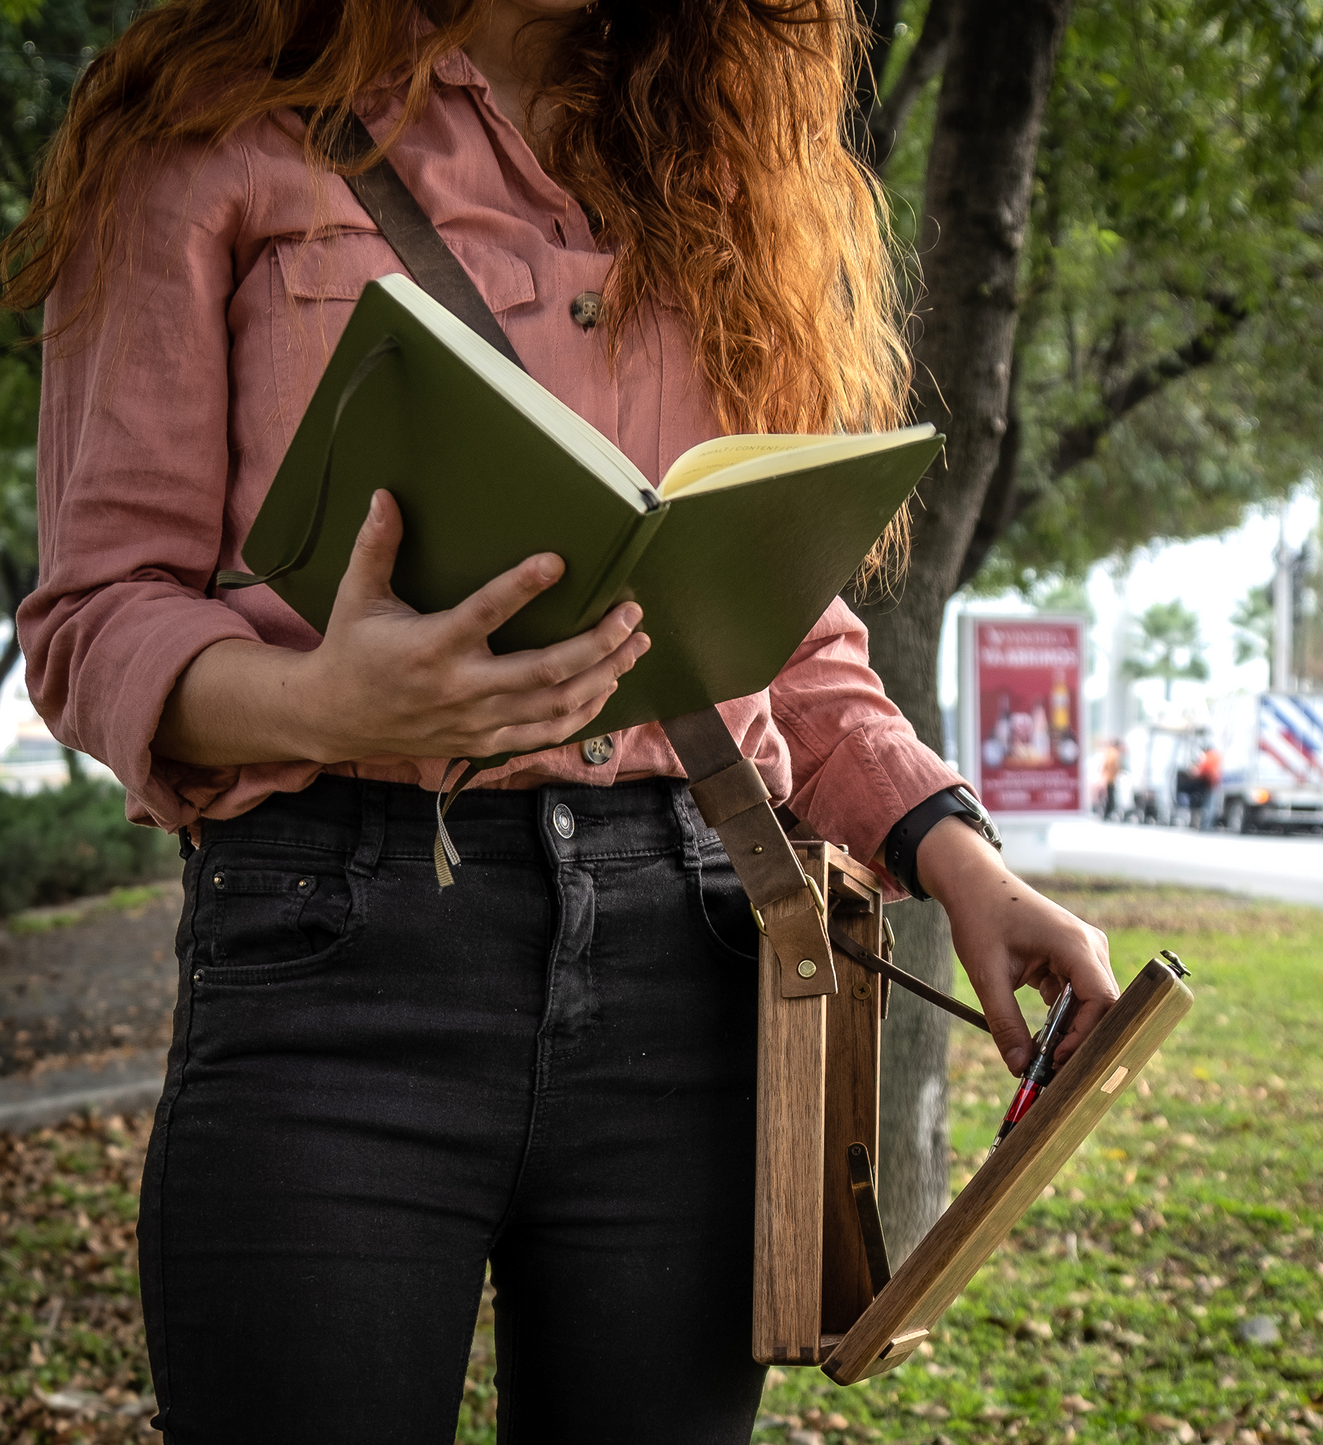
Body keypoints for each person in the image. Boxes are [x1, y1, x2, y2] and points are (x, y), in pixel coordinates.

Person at [5, 3, 1118, 1441]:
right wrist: (323, 697)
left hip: (697, 965)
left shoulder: (717, 161)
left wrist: (962, 856)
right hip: (337, 952)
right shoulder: (205, 129)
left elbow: (776, 639)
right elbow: (97, 610)